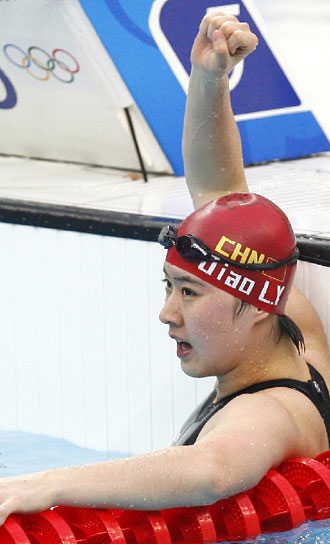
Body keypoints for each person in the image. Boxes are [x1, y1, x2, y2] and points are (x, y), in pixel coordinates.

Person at [0, 11, 330, 525]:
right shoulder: (291, 324)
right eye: (170, 287)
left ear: (259, 305)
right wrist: (208, 79)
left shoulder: (269, 412)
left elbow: (211, 471)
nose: (167, 313)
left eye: (190, 293)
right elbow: (221, 195)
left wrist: (44, 482)